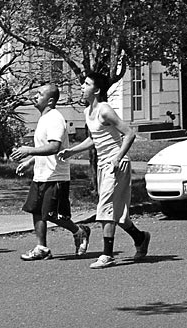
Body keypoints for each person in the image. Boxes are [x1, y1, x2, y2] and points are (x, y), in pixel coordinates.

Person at [58, 72, 151, 269]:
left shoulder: (105, 110)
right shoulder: (87, 111)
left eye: (87, 84)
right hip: (103, 165)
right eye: (83, 83)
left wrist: (118, 157)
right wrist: (72, 151)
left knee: (105, 208)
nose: (82, 87)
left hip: (116, 164)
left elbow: (129, 134)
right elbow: (94, 138)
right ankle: (140, 238)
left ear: (97, 90)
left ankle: (107, 255)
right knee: (119, 214)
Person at [11, 84, 91, 261]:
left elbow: (54, 147)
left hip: (56, 175)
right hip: (41, 174)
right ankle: (42, 247)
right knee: (36, 210)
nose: (35, 96)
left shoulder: (55, 118)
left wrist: (28, 150)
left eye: (40, 94)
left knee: (52, 215)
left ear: (50, 101)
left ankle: (79, 231)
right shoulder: (43, 118)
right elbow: (43, 147)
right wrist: (29, 162)